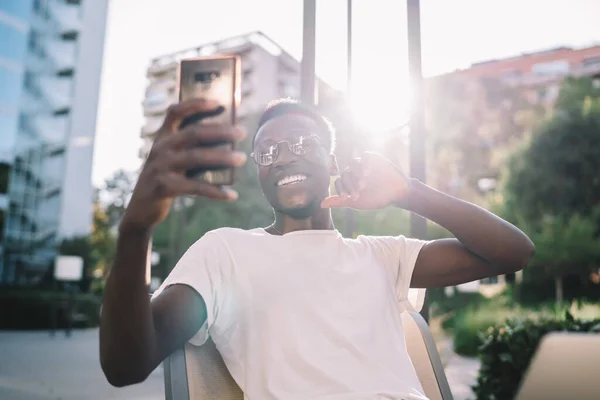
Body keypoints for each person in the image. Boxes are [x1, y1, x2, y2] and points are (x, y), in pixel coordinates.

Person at [99, 97, 535, 399]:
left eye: (303, 144)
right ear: (259, 173)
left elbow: (512, 252)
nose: (284, 157)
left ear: (331, 162)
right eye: (267, 151)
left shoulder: (380, 255)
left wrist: (409, 192)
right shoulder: (225, 252)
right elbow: (128, 364)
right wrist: (135, 231)